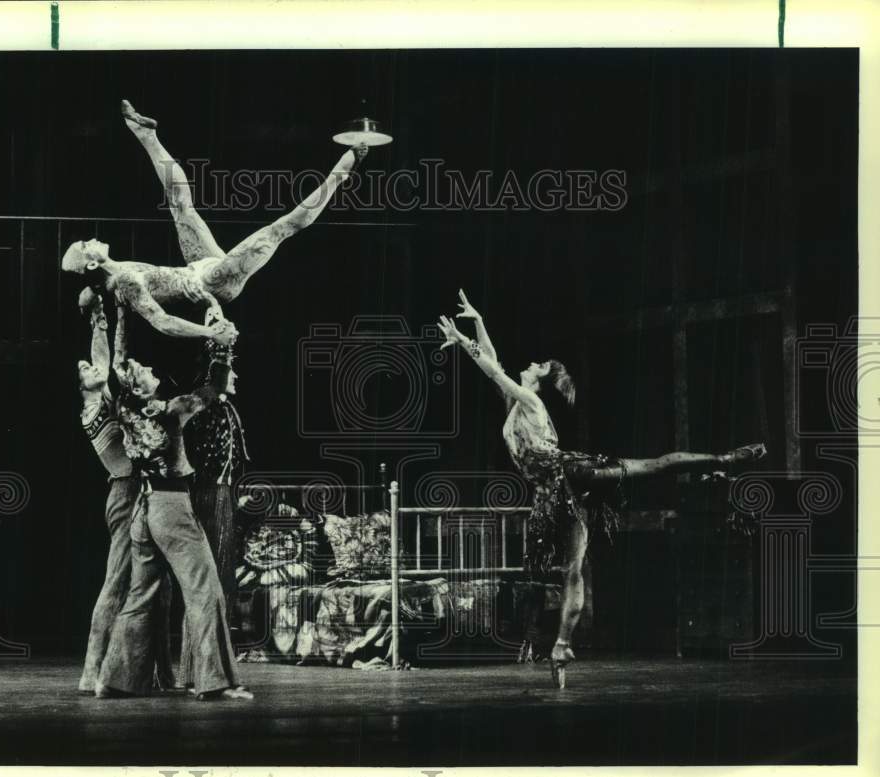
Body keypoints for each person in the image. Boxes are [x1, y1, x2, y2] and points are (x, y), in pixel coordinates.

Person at [437, 289, 767, 688]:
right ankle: (561, 646)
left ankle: (725, 460)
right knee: (572, 568)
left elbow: (492, 369)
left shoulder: (531, 404)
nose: (529, 363)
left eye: (537, 365)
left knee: (654, 465)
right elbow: (494, 362)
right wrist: (476, 321)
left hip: (574, 473)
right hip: (550, 493)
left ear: (537, 381)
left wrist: (465, 340)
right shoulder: (514, 405)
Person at [61, 100, 365, 339]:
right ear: (91, 263)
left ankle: (146, 135)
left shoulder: (118, 279)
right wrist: (210, 332)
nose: (92, 239)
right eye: (86, 245)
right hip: (215, 282)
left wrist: (116, 358)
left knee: (180, 206)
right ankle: (345, 167)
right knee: (278, 230)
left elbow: (121, 339)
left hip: (198, 267)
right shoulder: (123, 282)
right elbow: (162, 322)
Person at [94, 305, 251, 701]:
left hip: (143, 512)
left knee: (140, 595)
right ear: (143, 388)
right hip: (171, 509)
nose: (148, 369)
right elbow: (213, 389)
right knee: (205, 591)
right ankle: (218, 682)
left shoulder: (125, 409)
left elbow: (118, 362)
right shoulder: (170, 412)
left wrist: (121, 315)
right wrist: (222, 346)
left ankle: (113, 680)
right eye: (145, 372)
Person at [75, 294, 174, 693]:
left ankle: (162, 672)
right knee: (117, 581)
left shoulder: (106, 401)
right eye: (83, 370)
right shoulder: (92, 410)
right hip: (126, 492)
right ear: (82, 385)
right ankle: (91, 669)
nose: (89, 368)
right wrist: (102, 321)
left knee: (159, 585)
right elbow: (100, 369)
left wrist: (101, 317)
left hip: (144, 491)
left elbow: (102, 361)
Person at [178, 335, 251, 685]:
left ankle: (212, 666)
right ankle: (199, 668)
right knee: (207, 582)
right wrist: (218, 344)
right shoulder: (206, 406)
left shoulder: (223, 408)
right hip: (205, 495)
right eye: (230, 371)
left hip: (222, 496)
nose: (235, 377)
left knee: (222, 580)